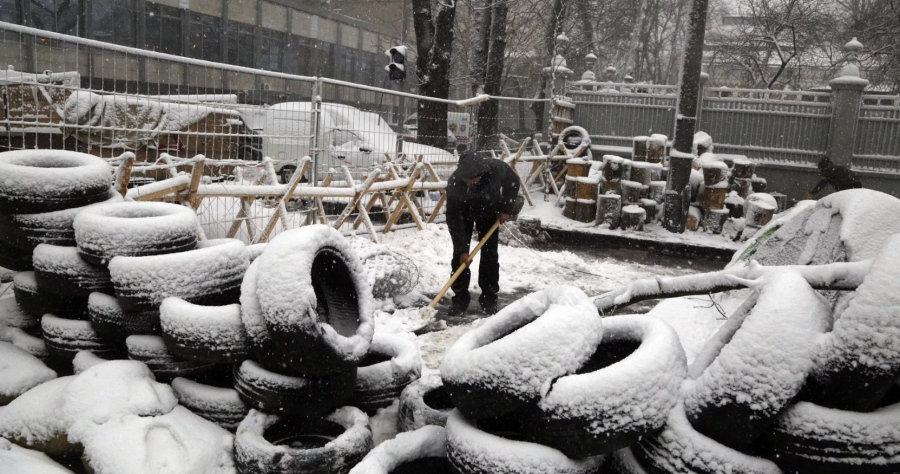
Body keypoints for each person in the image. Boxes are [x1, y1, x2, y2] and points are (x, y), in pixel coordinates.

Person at [445, 151, 520, 316]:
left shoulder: (496, 169)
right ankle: (460, 300)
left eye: (475, 178)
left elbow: (513, 182)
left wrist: (506, 208)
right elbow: (453, 217)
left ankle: (489, 299)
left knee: (490, 255)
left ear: (483, 173)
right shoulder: (455, 184)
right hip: (463, 214)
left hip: (489, 212)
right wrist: (462, 249)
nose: (472, 182)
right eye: (469, 178)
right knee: (460, 257)